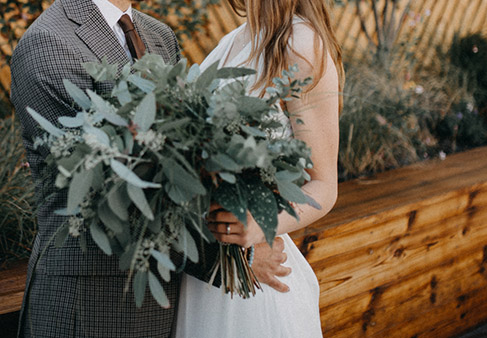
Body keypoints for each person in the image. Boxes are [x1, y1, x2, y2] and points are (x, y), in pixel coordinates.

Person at [10, 0, 292, 337]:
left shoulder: (158, 36)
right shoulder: (49, 42)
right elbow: (101, 192)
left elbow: (188, 160)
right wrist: (234, 252)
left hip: (168, 297)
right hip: (90, 302)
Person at [175, 0, 344, 337]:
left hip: (257, 289)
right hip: (207, 277)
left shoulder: (301, 45)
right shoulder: (232, 41)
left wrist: (260, 227)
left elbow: (324, 185)